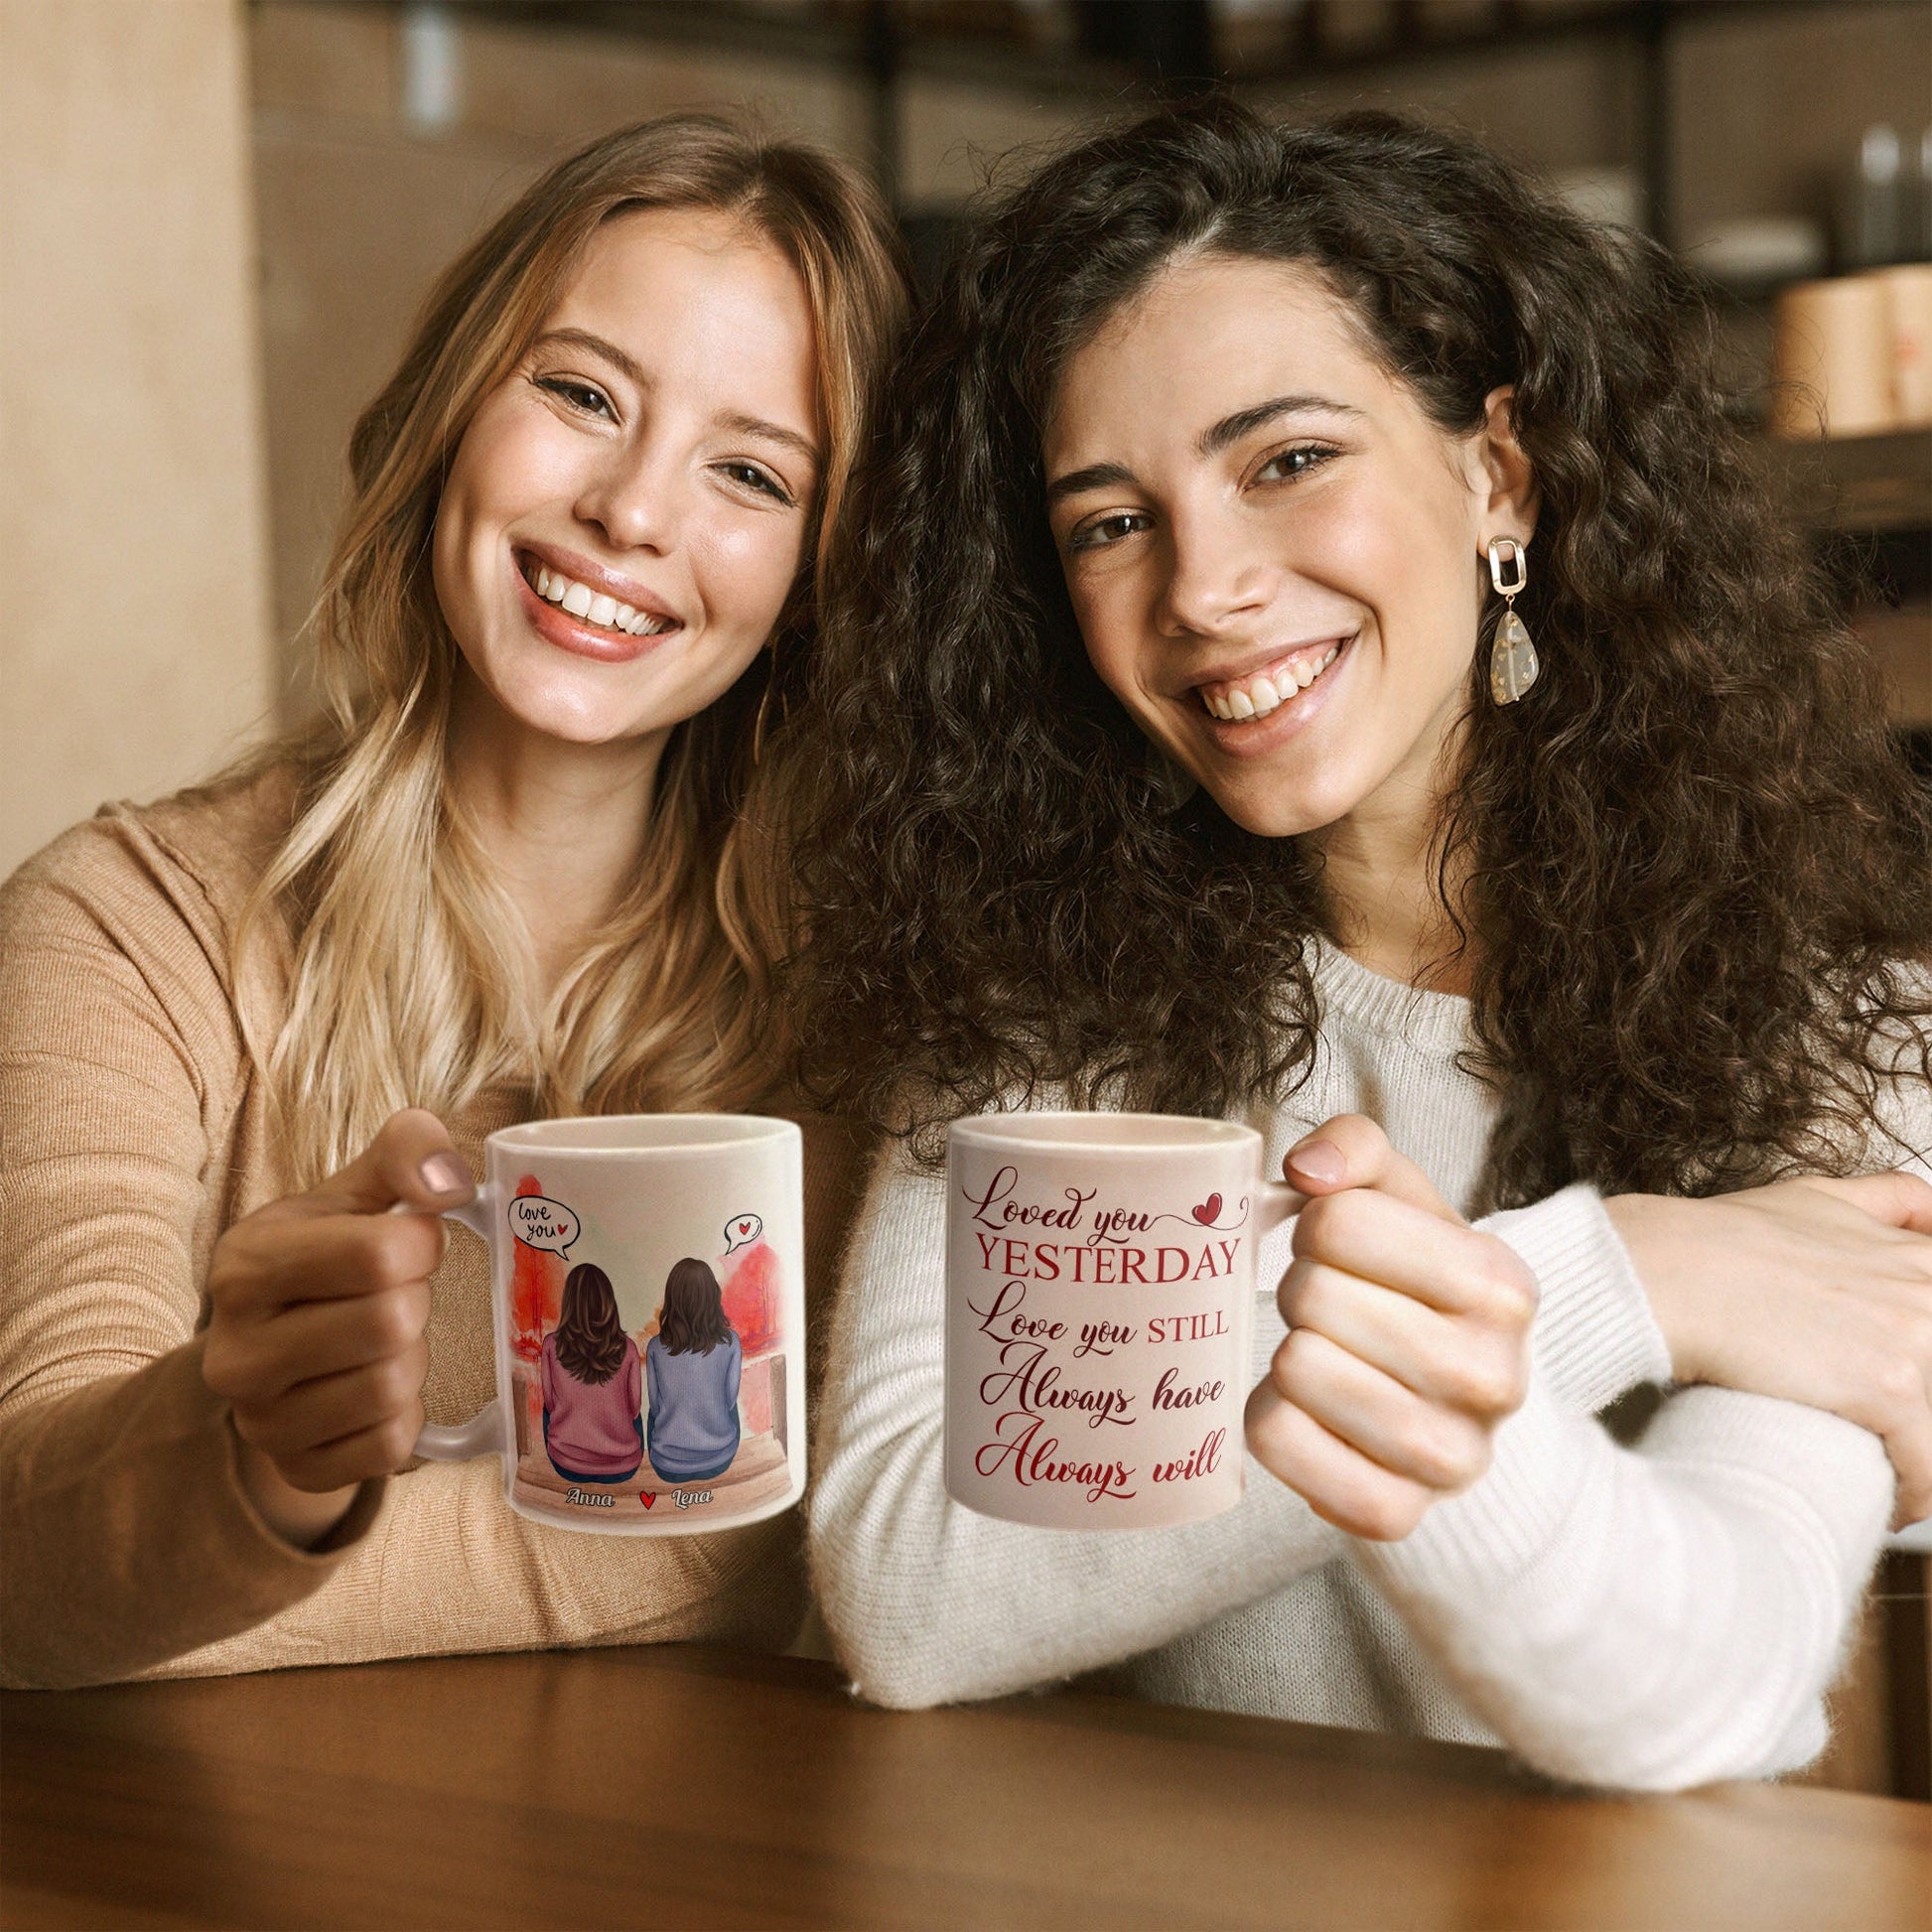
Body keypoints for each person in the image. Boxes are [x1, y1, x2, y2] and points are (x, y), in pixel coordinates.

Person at [791, 102, 1932, 1790]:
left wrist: (1474, 1307)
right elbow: (906, 1592)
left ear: (1498, 475)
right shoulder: (1044, 1011)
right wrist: (1617, 1277)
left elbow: (1699, 1685)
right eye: (1110, 520)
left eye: (1285, 461)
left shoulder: (1842, 1018)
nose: (1203, 586)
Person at [0, 115, 906, 1688]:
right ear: (448, 414)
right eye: (579, 393)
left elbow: (769, 1521)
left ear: (817, 573)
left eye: (749, 472)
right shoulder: (122, 926)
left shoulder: (863, 1001)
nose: (633, 510)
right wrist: (260, 1465)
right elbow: (29, 1553)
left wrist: (216, 1573)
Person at [541, 1263, 643, 1483]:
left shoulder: (550, 1344)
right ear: (608, 1302)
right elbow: (635, 1409)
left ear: (569, 1303)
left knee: (550, 1404)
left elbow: (549, 1403)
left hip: (566, 1465)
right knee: (632, 1407)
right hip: (623, 1467)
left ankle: (567, 1443)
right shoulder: (628, 1348)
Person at [644, 1258, 743, 1483]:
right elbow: (729, 1401)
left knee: (656, 1411)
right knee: (727, 1405)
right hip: (721, 1459)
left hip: (666, 1466)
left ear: (672, 1298)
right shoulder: (731, 1342)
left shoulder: (655, 1346)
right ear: (712, 1295)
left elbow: (656, 1406)